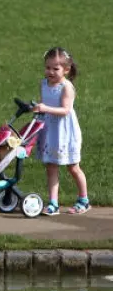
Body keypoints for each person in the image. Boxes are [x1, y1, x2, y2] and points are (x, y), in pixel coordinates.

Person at [33, 47, 89, 215]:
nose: (50, 72)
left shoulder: (66, 87)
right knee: (51, 167)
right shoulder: (44, 84)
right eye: (48, 67)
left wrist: (45, 108)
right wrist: (38, 111)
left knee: (73, 167)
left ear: (66, 69)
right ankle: (53, 203)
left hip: (65, 133)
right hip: (50, 131)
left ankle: (84, 200)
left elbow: (65, 110)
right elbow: (44, 104)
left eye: (55, 68)